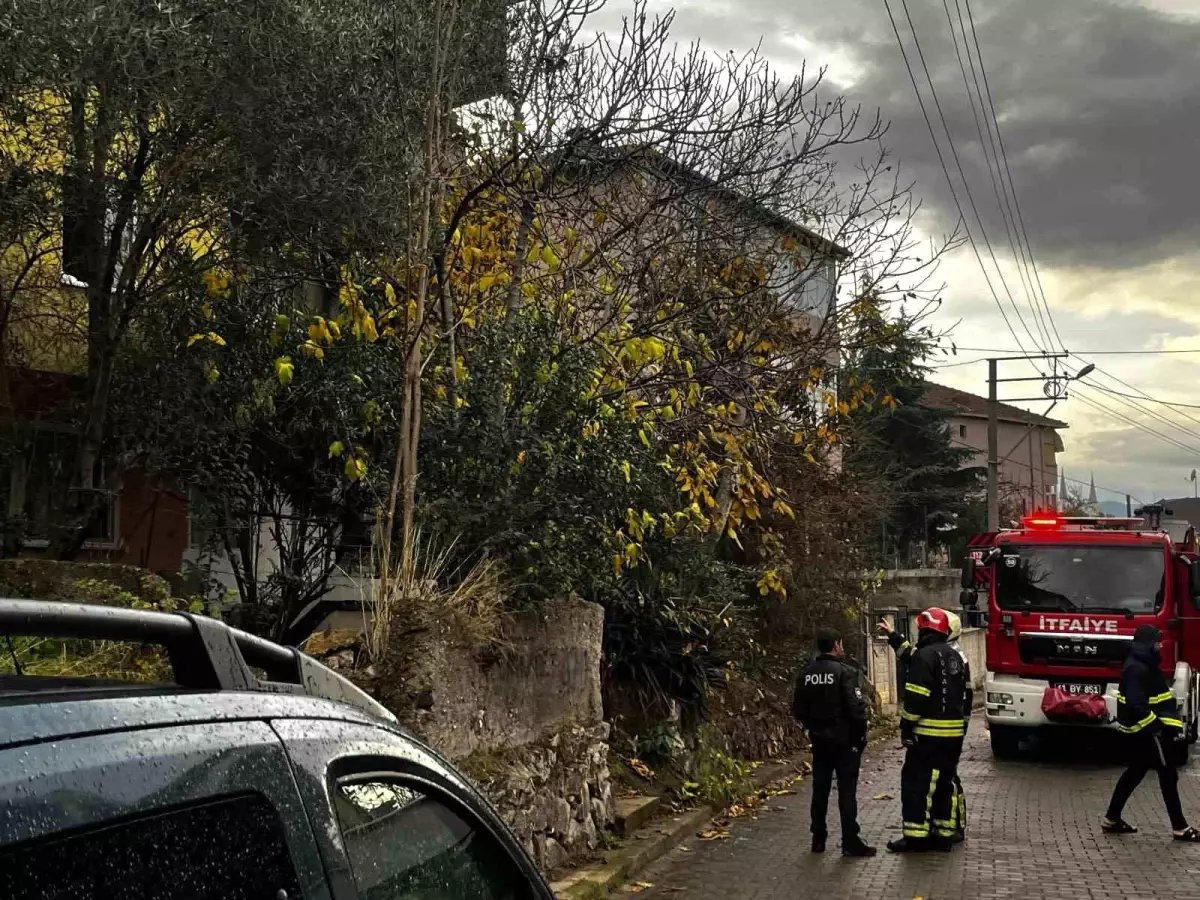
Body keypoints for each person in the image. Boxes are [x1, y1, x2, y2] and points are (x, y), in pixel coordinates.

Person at [878, 609, 970, 844]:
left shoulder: (924, 656)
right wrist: (893, 636)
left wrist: (907, 727)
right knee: (945, 782)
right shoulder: (957, 657)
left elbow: (916, 696)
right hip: (953, 735)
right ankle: (945, 832)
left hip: (928, 734)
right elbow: (966, 698)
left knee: (917, 782)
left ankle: (916, 836)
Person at [1103, 624, 1200, 841]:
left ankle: (1112, 818)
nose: (1160, 646)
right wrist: (1157, 727)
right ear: (1147, 644)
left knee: (1134, 773)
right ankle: (1180, 827)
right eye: (1157, 642)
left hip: (1145, 733)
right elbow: (1137, 705)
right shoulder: (1137, 669)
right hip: (1149, 734)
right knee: (1168, 775)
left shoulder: (1142, 664)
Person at [792, 628, 876, 858]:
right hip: (844, 741)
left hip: (819, 741)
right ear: (836, 645)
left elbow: (798, 709)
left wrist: (813, 728)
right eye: (841, 644)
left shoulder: (806, 672)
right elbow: (856, 709)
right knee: (846, 791)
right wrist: (860, 736)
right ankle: (850, 840)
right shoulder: (845, 672)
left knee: (820, 789)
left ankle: (818, 838)